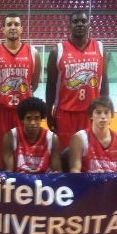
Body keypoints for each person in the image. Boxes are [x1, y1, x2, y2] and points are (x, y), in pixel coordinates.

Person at [0, 12, 42, 169]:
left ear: (22, 29)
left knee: (22, 156)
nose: (13, 27)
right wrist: (2, 94)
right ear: (3, 29)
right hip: (0, 113)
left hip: (23, 114)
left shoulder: (33, 53)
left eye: (16, 24)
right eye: (9, 24)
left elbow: (33, 84)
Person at [46, 11, 109, 151]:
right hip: (65, 113)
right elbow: (50, 84)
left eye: (83, 21)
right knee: (64, 153)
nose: (80, 24)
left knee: (89, 153)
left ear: (89, 25)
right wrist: (48, 112)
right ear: (69, 26)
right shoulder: (58, 51)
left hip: (91, 112)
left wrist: (107, 109)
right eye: (75, 22)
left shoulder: (100, 48)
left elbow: (104, 81)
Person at [2, 97, 62, 173]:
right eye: (28, 118)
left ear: (41, 119)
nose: (33, 123)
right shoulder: (10, 137)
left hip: (44, 182)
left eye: (36, 118)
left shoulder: (52, 138)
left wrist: (56, 175)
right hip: (20, 181)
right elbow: (8, 171)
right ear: (22, 120)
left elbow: (58, 171)